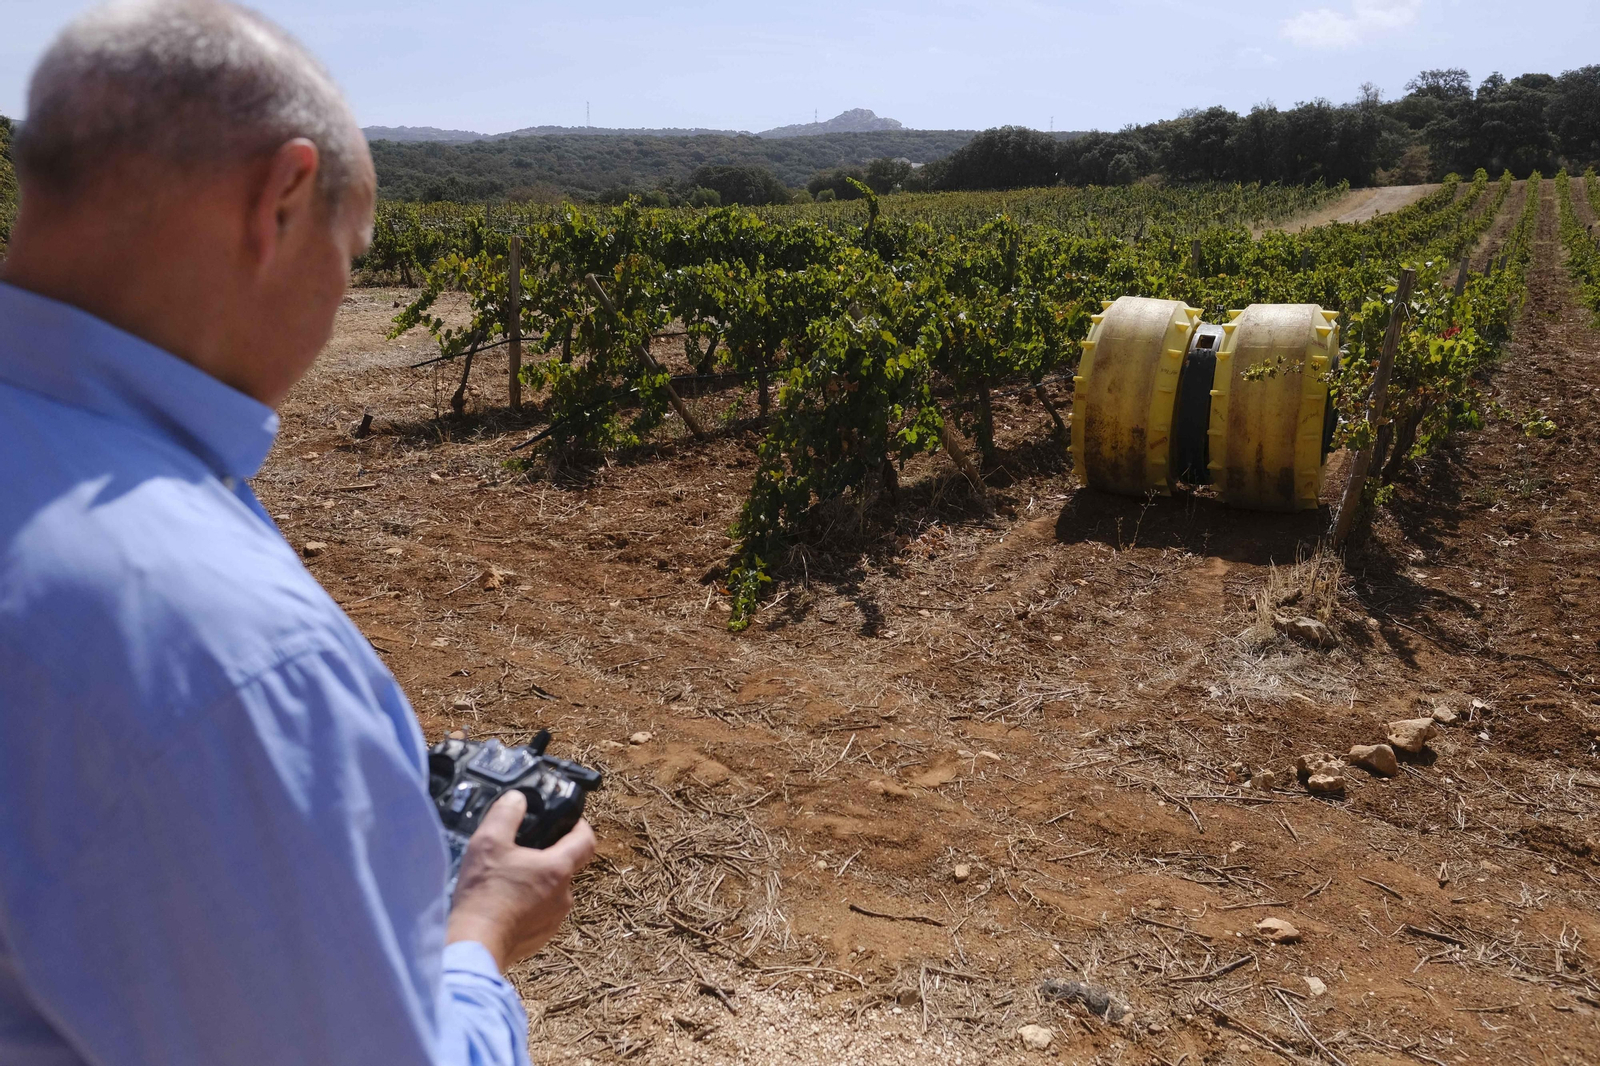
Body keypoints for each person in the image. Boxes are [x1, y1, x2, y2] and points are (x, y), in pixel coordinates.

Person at [0, 2, 594, 1063]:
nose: (339, 296)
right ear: (278, 201)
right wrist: (479, 938)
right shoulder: (228, 655)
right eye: (351, 250)